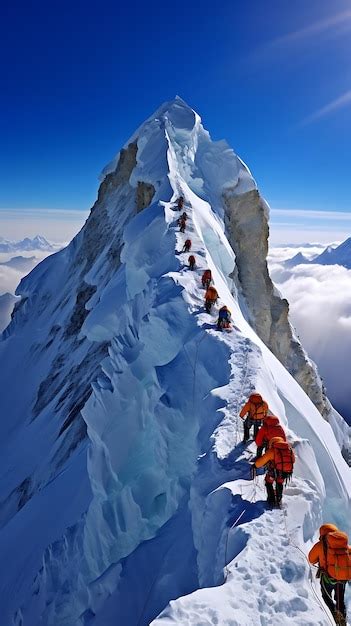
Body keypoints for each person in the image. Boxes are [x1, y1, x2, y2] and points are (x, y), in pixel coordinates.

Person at [308, 524, 350, 625]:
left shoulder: (320, 545)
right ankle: (342, 619)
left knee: (326, 596)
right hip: (342, 578)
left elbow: (311, 559)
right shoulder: (343, 546)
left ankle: (332, 615)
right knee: (340, 600)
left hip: (328, 577)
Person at [253, 436, 295, 507]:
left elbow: (263, 460)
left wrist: (255, 466)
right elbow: (293, 460)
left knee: (268, 481)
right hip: (285, 472)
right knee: (279, 482)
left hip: (275, 471)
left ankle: (271, 499)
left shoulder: (273, 450)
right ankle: (278, 499)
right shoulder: (289, 449)